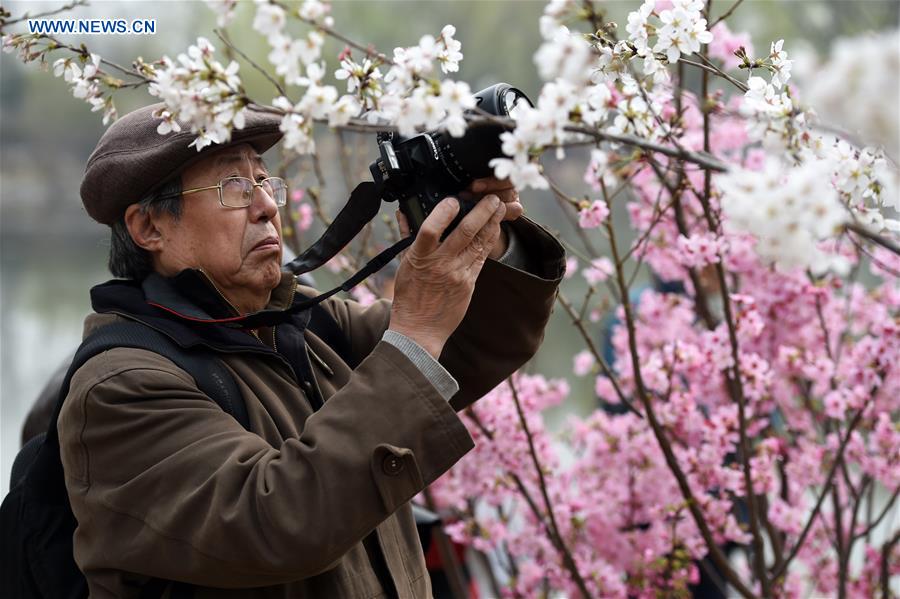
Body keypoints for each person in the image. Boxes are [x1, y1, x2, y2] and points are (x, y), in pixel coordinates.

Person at [58, 103, 565, 598]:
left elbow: (469, 348)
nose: (265, 205)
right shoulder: (121, 387)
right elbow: (273, 522)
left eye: (263, 180)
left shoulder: (299, 321)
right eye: (233, 186)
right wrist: (414, 332)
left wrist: (486, 243)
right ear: (149, 228)